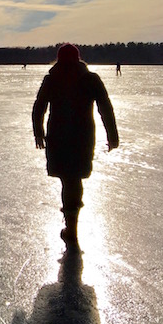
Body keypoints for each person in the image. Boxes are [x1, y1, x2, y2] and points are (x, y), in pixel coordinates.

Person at [32, 44, 119, 248]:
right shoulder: (90, 79)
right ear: (78, 58)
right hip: (82, 137)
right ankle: (72, 225)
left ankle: (70, 226)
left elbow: (39, 107)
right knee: (74, 179)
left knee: (68, 180)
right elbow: (105, 108)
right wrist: (112, 135)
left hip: (59, 137)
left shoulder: (53, 79)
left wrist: (39, 132)